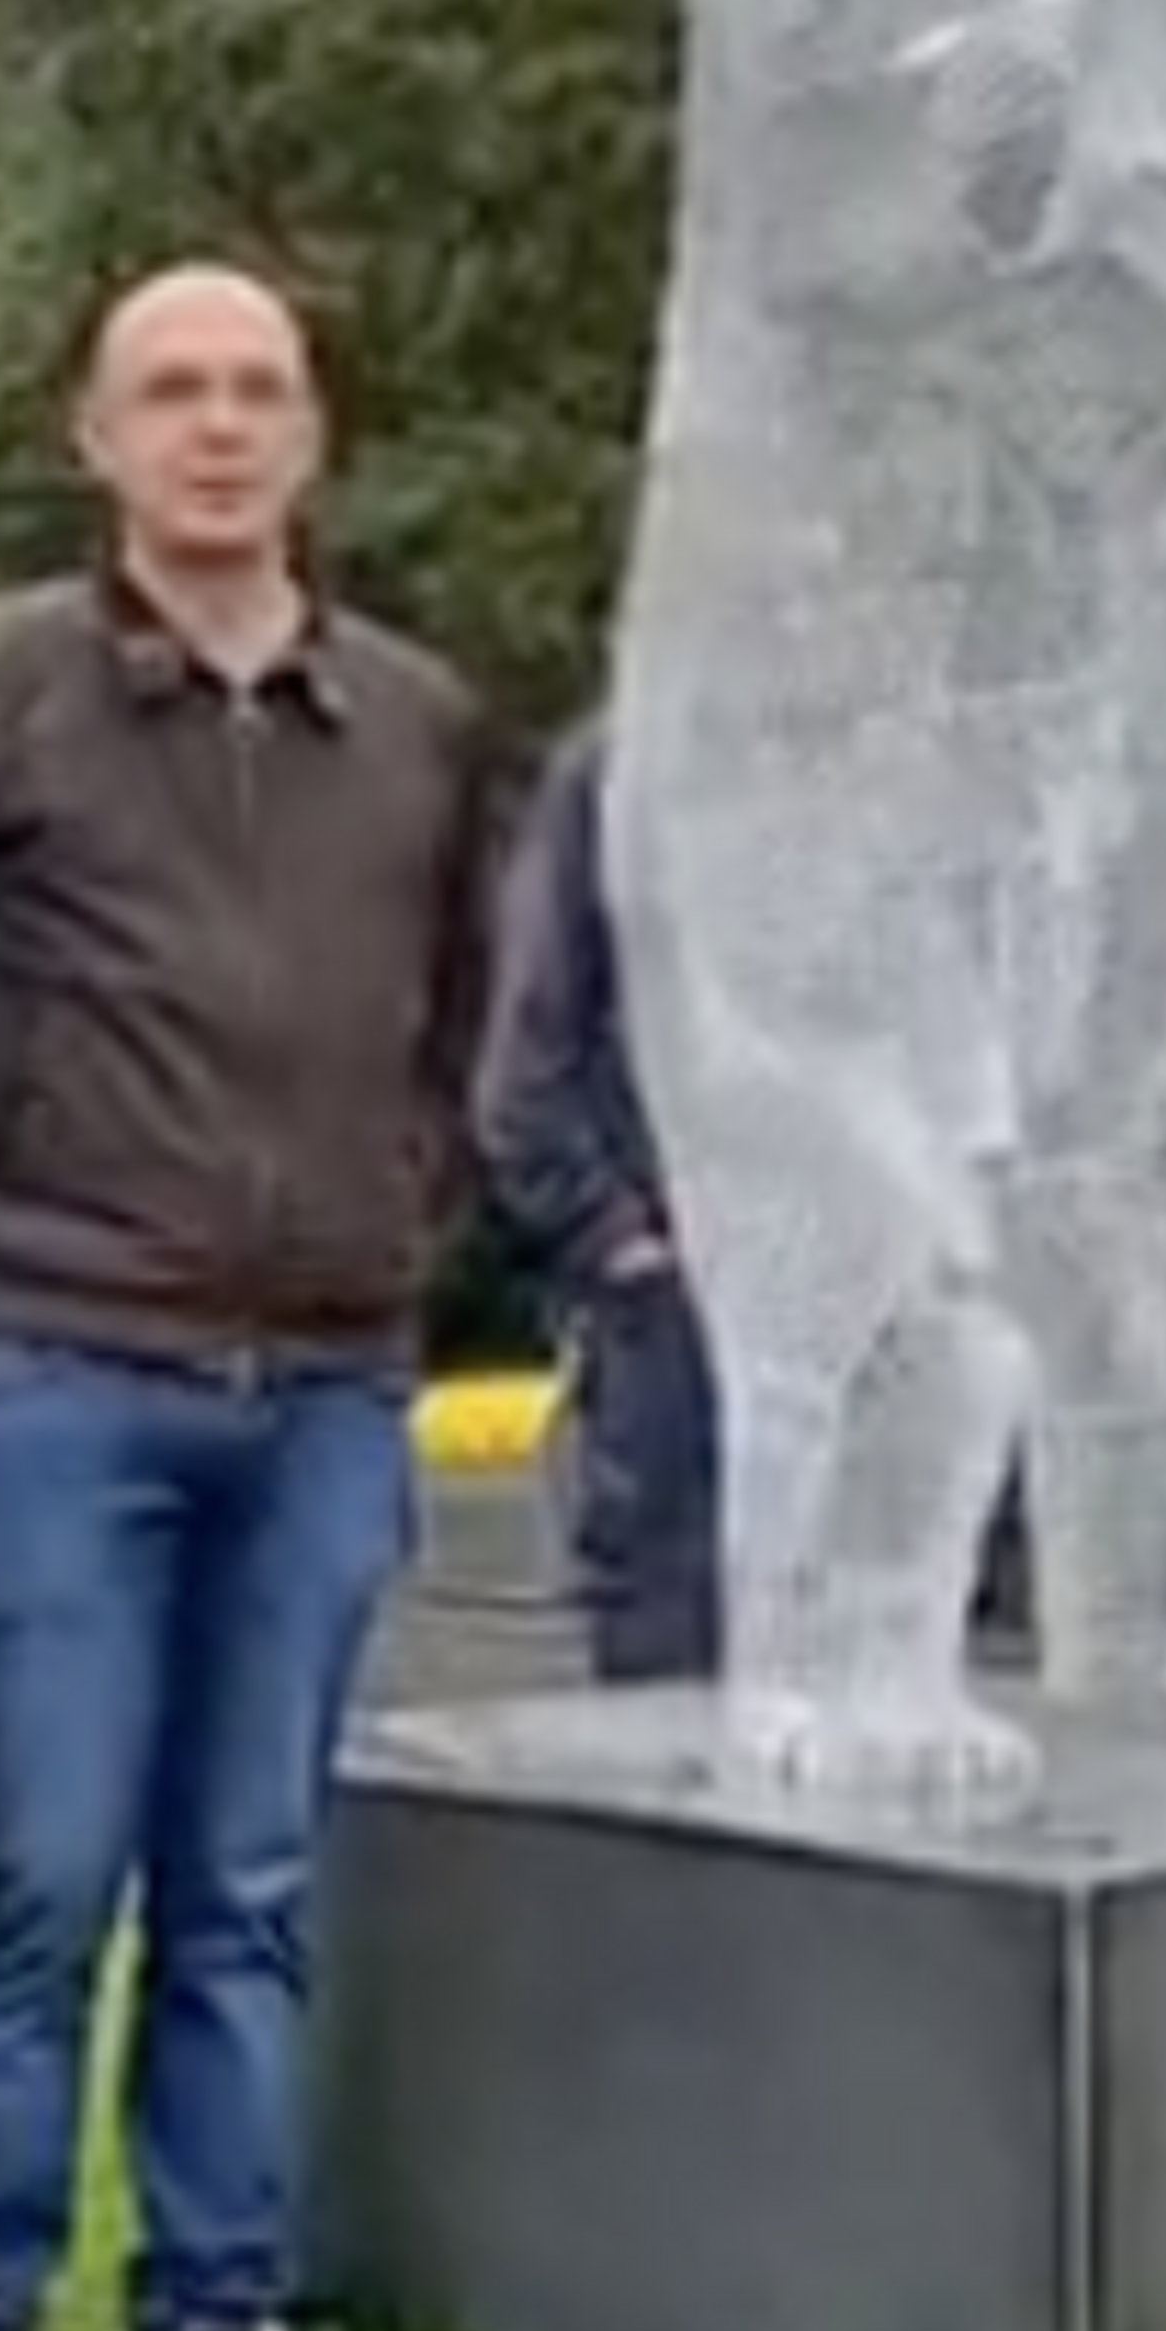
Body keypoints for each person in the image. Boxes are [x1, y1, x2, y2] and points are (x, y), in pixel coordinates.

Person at [0, 261, 516, 2331]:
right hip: (57, 1372)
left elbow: (460, 1033)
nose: (218, 428)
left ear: (313, 438)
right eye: (170, 392)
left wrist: (393, 1229)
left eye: (260, 390)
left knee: (255, 1891)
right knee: (41, 1884)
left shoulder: (410, 725)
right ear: (91, 438)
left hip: (319, 1390)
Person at [477, 716, 712, 1684]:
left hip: (886, 1330)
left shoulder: (928, 773)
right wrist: (613, 1236)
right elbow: (529, 1059)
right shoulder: (625, 771)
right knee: (676, 1678)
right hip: (679, 1325)